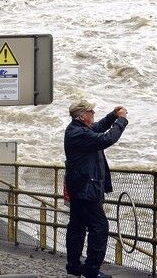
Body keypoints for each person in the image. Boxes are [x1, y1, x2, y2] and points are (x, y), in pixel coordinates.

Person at [64, 99, 128, 278]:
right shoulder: (79, 134)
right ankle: (91, 269)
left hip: (81, 187)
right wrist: (121, 120)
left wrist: (112, 116)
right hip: (86, 188)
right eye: (91, 112)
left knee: (77, 227)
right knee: (99, 227)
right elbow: (107, 138)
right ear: (82, 115)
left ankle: (74, 267)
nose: (93, 114)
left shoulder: (78, 129)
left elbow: (99, 127)